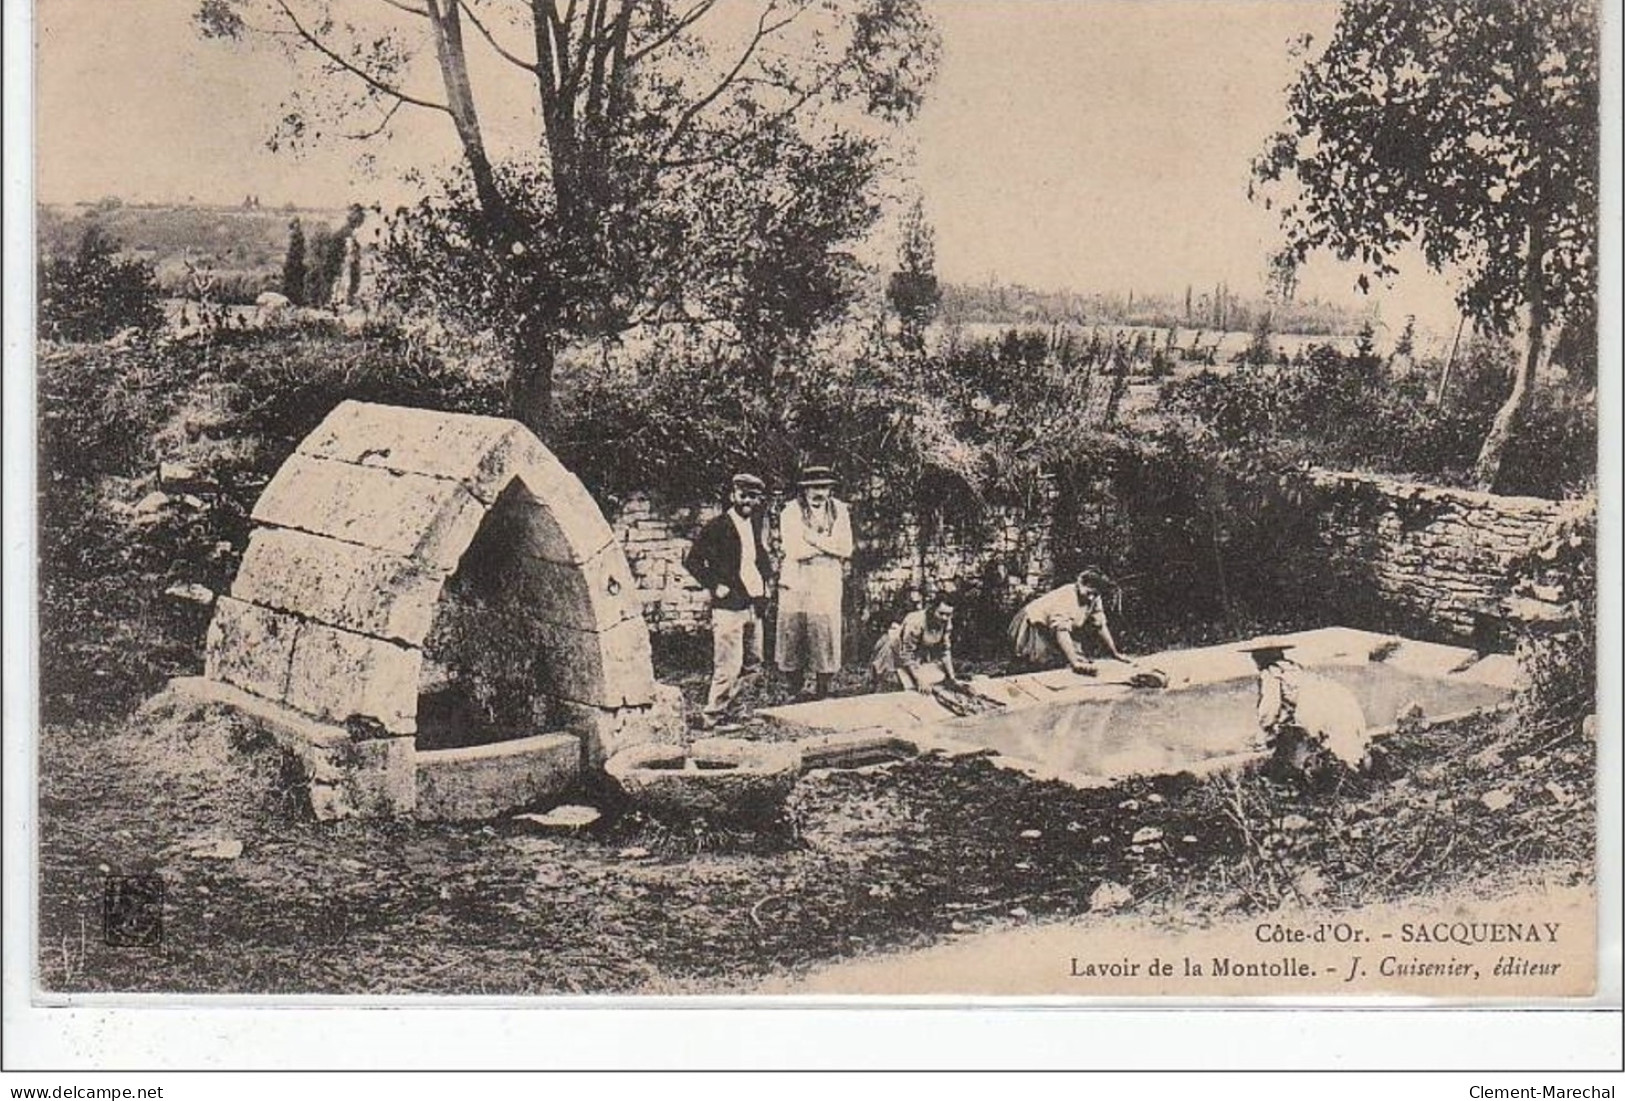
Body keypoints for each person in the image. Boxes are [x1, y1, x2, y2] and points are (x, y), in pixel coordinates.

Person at [682, 473, 773, 729]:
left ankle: (737, 711)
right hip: (729, 605)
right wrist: (715, 584)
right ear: (733, 495)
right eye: (743, 495)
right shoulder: (717, 526)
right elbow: (693, 560)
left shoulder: (755, 523)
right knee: (728, 665)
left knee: (753, 663)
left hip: (753, 603)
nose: (748, 501)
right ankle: (713, 715)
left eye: (753, 497)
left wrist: (765, 587)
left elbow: (758, 559)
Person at [1241, 639, 1372, 780]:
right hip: (1338, 696)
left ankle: (1344, 780)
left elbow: (1269, 707)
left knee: (1329, 742)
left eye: (1255, 657)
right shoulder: (1294, 668)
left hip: (1316, 704)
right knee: (1347, 739)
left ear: (1261, 658)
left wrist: (1264, 732)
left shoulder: (1270, 673)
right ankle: (1360, 776)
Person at [775, 465, 853, 699]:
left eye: (824, 487)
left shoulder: (839, 510)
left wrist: (812, 539)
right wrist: (829, 544)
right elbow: (794, 549)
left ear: (831, 488)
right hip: (797, 579)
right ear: (805, 490)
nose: (819, 492)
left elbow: (846, 547)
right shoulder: (790, 511)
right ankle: (794, 689)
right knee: (793, 630)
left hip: (826, 579)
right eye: (814, 488)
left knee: (825, 631)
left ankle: (823, 689)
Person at [1007, 567, 1129, 674]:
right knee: (1039, 664)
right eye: (1089, 593)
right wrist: (1074, 662)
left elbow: (1101, 626)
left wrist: (1115, 653)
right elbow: (1061, 632)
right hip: (1033, 622)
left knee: (1067, 660)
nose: (1091, 597)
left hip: (1050, 627)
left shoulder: (1094, 598)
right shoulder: (1066, 596)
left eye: (1095, 594)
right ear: (1080, 583)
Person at [871, 589, 962, 693]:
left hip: (915, 655)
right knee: (893, 687)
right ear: (932, 610)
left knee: (921, 685)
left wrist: (952, 678)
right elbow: (906, 654)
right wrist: (920, 680)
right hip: (895, 652)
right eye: (941, 613)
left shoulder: (946, 623)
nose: (945, 618)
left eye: (948, 614)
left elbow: (945, 651)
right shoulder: (916, 622)